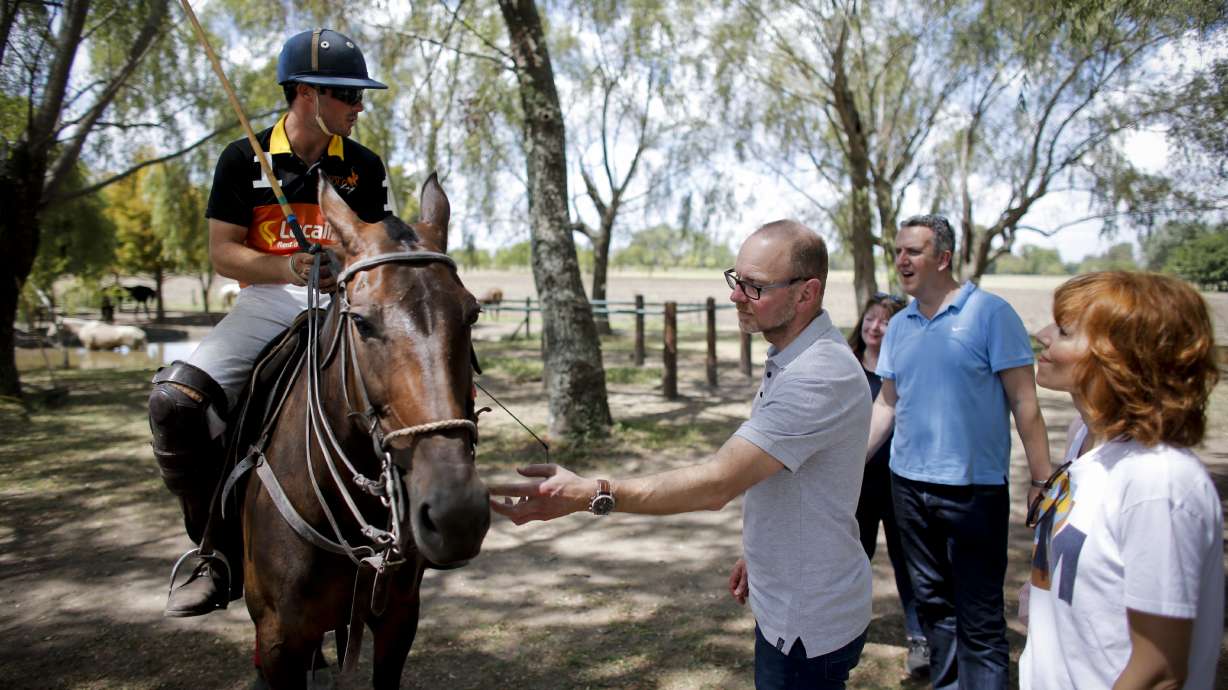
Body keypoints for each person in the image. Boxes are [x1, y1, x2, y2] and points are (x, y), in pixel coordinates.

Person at [491, 221, 873, 689]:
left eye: (754, 287)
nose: (736, 296)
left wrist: (591, 493)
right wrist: (763, 554)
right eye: (736, 279)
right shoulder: (794, 355)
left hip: (807, 625)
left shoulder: (818, 376)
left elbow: (717, 483)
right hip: (792, 596)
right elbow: (792, 479)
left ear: (807, 293)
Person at [146, 28, 391, 617]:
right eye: (348, 94)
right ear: (306, 93)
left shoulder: (363, 167)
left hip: (342, 307)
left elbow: (378, 249)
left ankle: (407, 525)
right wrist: (288, 266)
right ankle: (214, 550)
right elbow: (223, 253)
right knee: (175, 403)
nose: (359, 106)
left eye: (360, 96)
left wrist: (349, 268)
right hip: (267, 302)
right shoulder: (243, 159)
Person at [864, 214, 1051, 689]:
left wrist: (1042, 478)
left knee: (979, 618)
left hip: (974, 492)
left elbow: (1024, 403)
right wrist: (849, 464)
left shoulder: (992, 314)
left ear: (943, 258)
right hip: (907, 489)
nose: (901, 260)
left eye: (913, 251)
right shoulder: (899, 325)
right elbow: (886, 404)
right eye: (898, 251)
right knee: (934, 608)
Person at [1020, 271, 1223, 689]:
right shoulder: (1083, 437)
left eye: (1065, 330)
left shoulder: (1159, 481)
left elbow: (1158, 672)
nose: (1042, 335)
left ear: (1120, 358)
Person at [847, 292, 928, 678]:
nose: (874, 327)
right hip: (855, 483)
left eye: (885, 321)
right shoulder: (844, 365)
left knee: (908, 562)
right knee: (853, 559)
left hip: (900, 482)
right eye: (870, 318)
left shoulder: (907, 368)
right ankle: (845, 633)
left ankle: (921, 638)